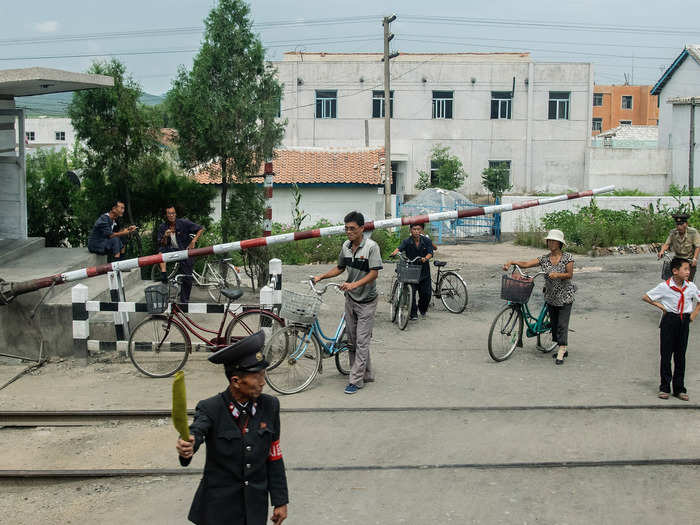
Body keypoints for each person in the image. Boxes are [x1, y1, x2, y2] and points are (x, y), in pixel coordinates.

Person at [176, 331, 289, 524]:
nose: (263, 382)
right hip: (218, 510)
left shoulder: (270, 406)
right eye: (256, 377)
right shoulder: (211, 407)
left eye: (263, 374)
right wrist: (188, 446)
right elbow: (198, 430)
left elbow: (274, 455)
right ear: (236, 381)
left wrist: (280, 501)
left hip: (254, 509)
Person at [313, 211, 383, 394]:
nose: (349, 232)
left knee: (361, 341)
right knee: (353, 341)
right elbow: (340, 267)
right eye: (346, 229)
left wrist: (354, 285)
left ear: (362, 228)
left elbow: (374, 273)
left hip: (367, 301)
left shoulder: (371, 247)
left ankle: (355, 380)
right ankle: (365, 373)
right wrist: (321, 276)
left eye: (352, 229)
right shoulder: (345, 246)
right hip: (350, 300)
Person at [503, 229, 576, 365]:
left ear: (559, 243)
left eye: (553, 241)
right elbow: (526, 264)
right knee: (554, 325)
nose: (550, 243)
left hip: (565, 296)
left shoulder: (568, 258)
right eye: (549, 241)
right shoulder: (544, 259)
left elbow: (569, 274)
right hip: (550, 296)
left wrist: (558, 275)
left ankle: (562, 350)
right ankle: (560, 344)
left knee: (562, 324)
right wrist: (513, 262)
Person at [643, 257, 700, 401]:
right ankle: (664, 387)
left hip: (684, 321)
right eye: (685, 269)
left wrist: (693, 314)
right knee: (666, 355)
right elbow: (647, 297)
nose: (688, 272)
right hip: (669, 321)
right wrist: (661, 307)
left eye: (689, 269)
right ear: (675, 271)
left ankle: (679, 388)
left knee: (681, 356)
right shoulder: (665, 286)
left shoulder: (691, 286)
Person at [156, 206, 204, 303]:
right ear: (166, 215)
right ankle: (164, 274)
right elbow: (162, 244)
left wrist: (193, 241)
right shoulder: (163, 227)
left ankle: (184, 301)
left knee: (187, 277)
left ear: (175, 214)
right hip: (172, 250)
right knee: (161, 251)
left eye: (173, 213)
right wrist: (165, 236)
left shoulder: (183, 223)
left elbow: (201, 229)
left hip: (185, 250)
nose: (171, 215)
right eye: (169, 213)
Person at [390, 223, 434, 320]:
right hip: (411, 270)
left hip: (424, 271)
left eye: (419, 229)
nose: (417, 231)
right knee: (411, 293)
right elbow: (400, 248)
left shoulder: (426, 241)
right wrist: (394, 252)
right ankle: (413, 313)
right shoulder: (407, 241)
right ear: (411, 230)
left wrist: (425, 258)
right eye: (414, 229)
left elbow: (431, 252)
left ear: (422, 230)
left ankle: (422, 309)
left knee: (426, 294)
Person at [657, 213, 700, 282]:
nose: (679, 227)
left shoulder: (693, 232)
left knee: (687, 283)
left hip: (688, 260)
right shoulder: (673, 232)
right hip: (677, 259)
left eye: (681, 224)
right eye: (677, 224)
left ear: (686, 224)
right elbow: (667, 244)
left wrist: (695, 259)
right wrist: (662, 251)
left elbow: (697, 246)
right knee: (672, 281)